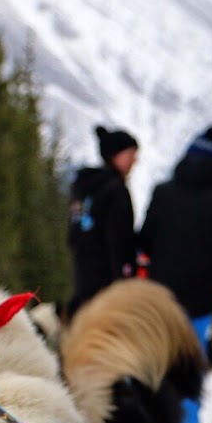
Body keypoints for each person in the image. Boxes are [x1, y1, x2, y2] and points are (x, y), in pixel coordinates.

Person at [139, 126, 212, 423]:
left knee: (157, 365)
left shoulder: (163, 192)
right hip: (200, 300)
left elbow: (145, 238)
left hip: (161, 298)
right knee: (191, 371)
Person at [67, 126, 139, 317]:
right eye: (131, 153)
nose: (135, 160)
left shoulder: (82, 187)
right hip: (109, 285)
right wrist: (124, 278)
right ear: (115, 154)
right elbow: (120, 239)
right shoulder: (116, 190)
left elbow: (74, 232)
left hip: (83, 279)